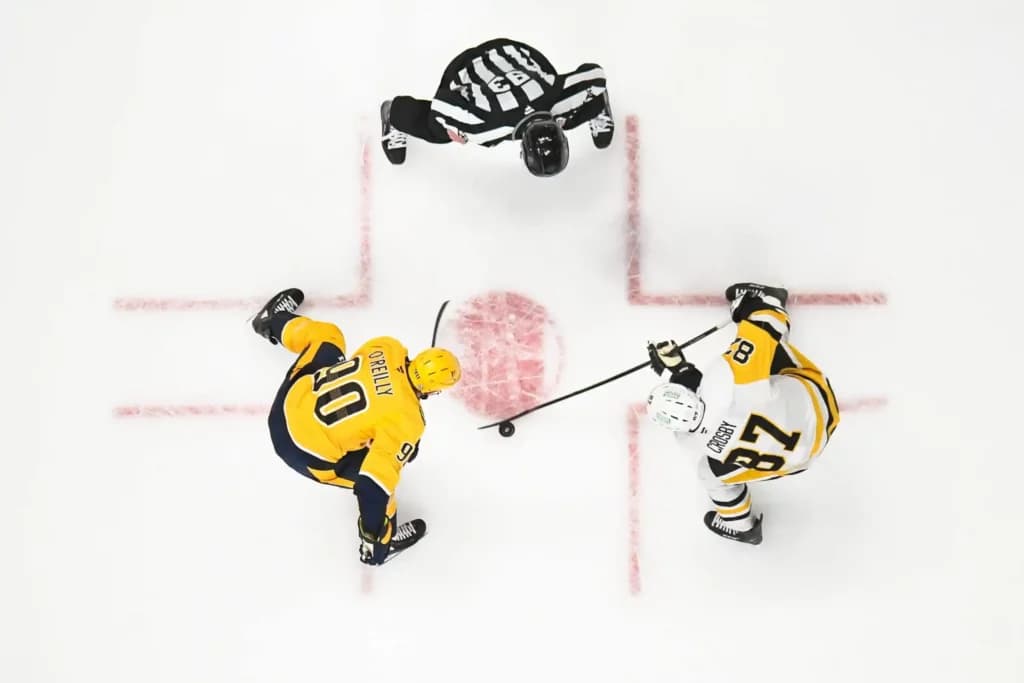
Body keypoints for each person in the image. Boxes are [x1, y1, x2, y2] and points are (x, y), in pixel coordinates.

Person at [251, 288, 461, 564]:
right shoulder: (407, 421)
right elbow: (371, 487)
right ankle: (377, 549)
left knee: (328, 338)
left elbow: (365, 381)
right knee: (385, 492)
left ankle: (274, 322)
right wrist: (374, 525)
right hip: (299, 450)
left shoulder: (388, 346)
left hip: (291, 402)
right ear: (435, 390)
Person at [645, 283, 841, 545]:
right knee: (764, 353)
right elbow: (761, 333)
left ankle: (741, 526)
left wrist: (677, 371)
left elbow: (707, 414)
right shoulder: (730, 379)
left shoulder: (689, 440)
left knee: (709, 472)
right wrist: (749, 309)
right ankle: (770, 298)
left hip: (798, 460)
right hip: (821, 409)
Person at [379, 37, 613, 177]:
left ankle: (596, 105)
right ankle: (393, 114)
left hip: (512, 51)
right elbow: (441, 105)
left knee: (568, 108)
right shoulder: (483, 127)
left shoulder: (559, 99)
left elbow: (596, 76)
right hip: (468, 67)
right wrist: (454, 130)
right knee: (436, 129)